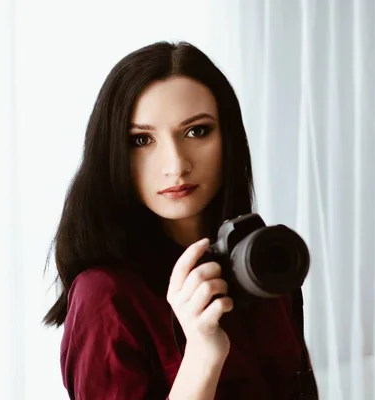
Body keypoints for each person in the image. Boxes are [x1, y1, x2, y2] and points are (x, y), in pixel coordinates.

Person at [43, 41, 318, 399]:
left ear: (228, 136)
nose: (176, 164)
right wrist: (203, 355)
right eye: (141, 139)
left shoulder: (264, 267)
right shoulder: (106, 297)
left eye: (197, 131)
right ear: (113, 153)